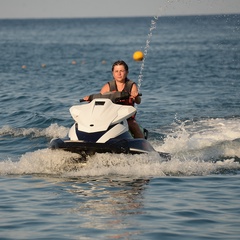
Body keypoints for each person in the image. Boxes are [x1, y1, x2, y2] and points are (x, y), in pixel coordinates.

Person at [100, 60, 144, 139]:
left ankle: (143, 144)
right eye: (116, 71)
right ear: (113, 73)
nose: (119, 73)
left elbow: (138, 101)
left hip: (127, 117)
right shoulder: (108, 86)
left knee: (133, 124)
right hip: (111, 115)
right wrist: (90, 99)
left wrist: (136, 96)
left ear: (126, 72)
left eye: (121, 71)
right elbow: (100, 99)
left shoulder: (131, 85)